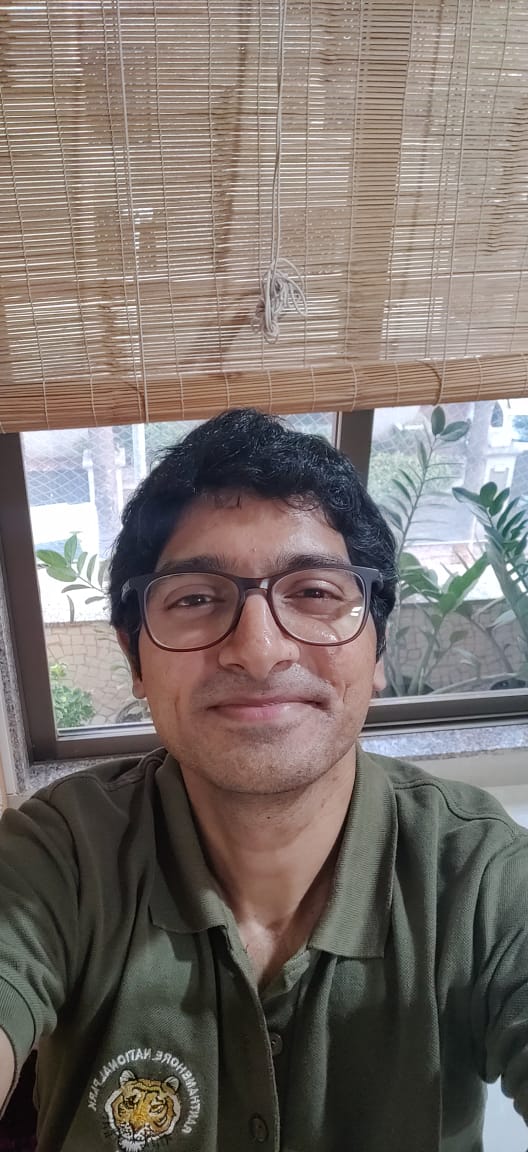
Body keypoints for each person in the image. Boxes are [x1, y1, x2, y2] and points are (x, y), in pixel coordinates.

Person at [0, 407, 528, 1152]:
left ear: (378, 647)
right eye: (194, 598)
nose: (258, 649)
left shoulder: (481, 875)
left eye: (313, 593)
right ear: (134, 659)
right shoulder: (60, 856)